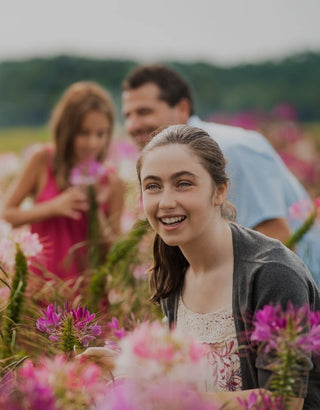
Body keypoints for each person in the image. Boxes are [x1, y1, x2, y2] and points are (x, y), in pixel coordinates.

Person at [136, 124, 320, 409]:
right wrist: (127, 368)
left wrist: (176, 400)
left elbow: (285, 401)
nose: (166, 202)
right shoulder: (173, 268)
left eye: (183, 183)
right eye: (152, 186)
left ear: (219, 191)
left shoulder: (273, 274)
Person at [121, 64, 320, 287]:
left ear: (182, 109)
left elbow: (277, 239)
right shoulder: (167, 161)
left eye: (144, 112)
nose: (133, 125)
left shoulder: (235, 149)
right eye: (127, 115)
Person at [1, 81, 125, 281]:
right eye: (84, 132)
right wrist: (54, 207)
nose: (93, 142)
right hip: (39, 285)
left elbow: (114, 254)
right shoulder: (43, 160)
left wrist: (95, 208)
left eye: (101, 134)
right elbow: (6, 214)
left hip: (86, 293)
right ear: (67, 129)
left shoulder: (112, 182)